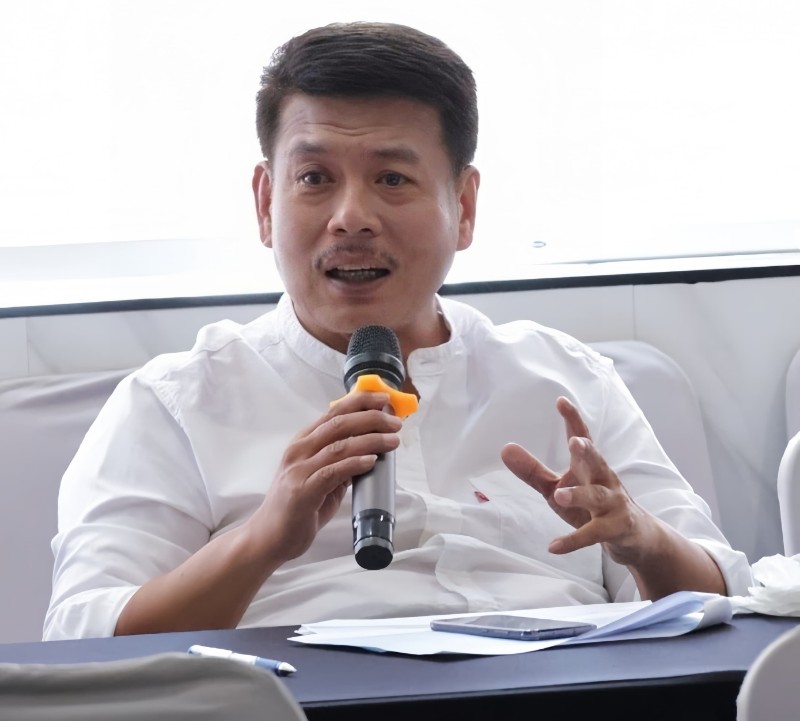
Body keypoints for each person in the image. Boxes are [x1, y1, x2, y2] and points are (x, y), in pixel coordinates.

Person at [44, 22, 752, 640]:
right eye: (314, 178)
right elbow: (84, 638)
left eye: (392, 179)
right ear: (265, 203)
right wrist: (264, 539)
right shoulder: (175, 400)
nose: (351, 217)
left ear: (463, 207)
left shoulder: (565, 379)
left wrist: (641, 538)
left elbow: (724, 604)